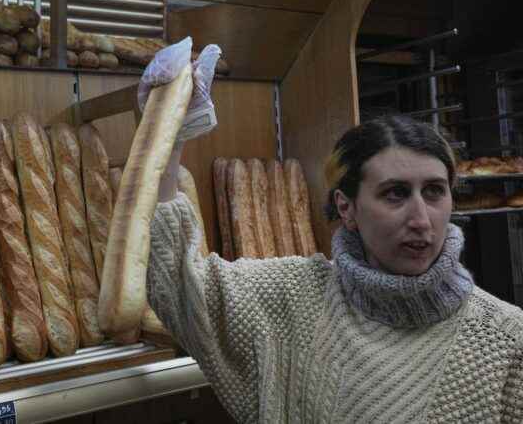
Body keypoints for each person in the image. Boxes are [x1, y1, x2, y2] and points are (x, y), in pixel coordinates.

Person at [142, 38, 523, 423]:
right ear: (347, 207)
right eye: (395, 194)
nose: (422, 220)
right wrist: (169, 136)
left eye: (435, 192)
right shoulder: (295, 297)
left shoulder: (505, 339)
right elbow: (180, 284)